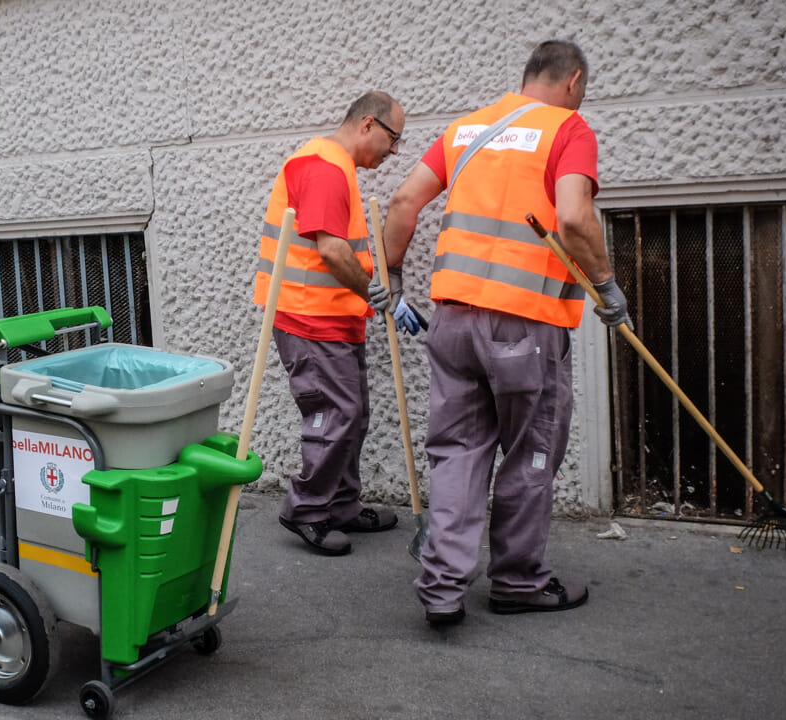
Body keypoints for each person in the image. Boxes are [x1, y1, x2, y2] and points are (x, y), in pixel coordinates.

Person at [375, 40, 631, 626]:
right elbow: (572, 217)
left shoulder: (466, 130)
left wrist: (391, 275)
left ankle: (441, 588)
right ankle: (517, 581)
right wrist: (607, 284)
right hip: (524, 326)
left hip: (453, 321)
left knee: (460, 454)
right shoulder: (568, 128)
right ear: (573, 81)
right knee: (529, 452)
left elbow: (403, 200)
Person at [254, 91, 416, 556]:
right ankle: (306, 510)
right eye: (393, 139)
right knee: (336, 416)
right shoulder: (324, 166)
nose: (393, 151)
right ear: (368, 125)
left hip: (331, 319)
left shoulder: (336, 166)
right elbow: (330, 250)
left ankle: (340, 504)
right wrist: (374, 292)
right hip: (310, 319)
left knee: (351, 415)